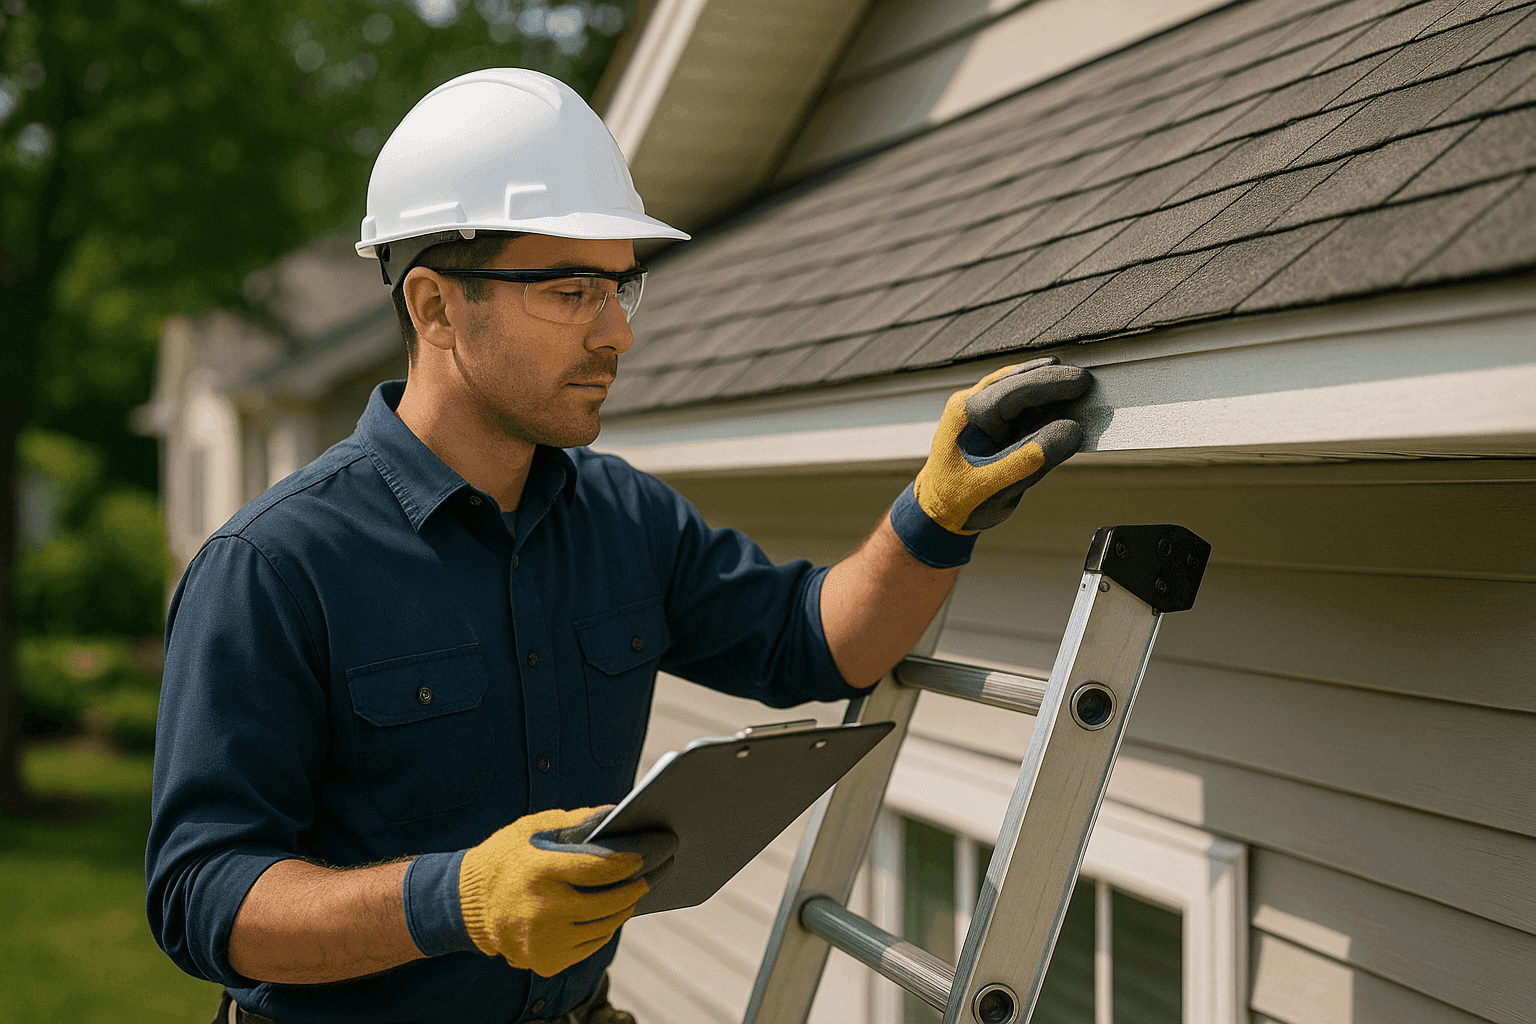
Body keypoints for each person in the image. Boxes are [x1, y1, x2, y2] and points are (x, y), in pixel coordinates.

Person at [146, 69, 1092, 1024]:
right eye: (570, 291)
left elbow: (822, 642)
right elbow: (203, 898)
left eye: (618, 286)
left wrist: (936, 513)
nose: (618, 335)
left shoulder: (624, 520)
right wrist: (460, 899)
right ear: (434, 308)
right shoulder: (272, 567)